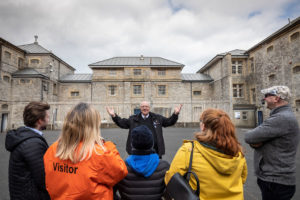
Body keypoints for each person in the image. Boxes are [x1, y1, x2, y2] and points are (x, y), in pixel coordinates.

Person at [43, 103, 128, 200]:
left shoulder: (53, 149)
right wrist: (108, 145)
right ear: (93, 126)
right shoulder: (98, 153)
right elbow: (120, 171)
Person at [165, 108, 247, 200]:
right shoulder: (238, 152)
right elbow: (242, 179)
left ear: (203, 126)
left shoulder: (189, 149)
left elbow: (171, 178)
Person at [245, 86, 300, 200]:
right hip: (276, 180)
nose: (264, 99)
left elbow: (249, 137)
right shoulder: (281, 116)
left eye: (267, 96)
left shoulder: (281, 118)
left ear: (276, 98)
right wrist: (256, 141)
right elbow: (254, 139)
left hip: (276, 181)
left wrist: (256, 141)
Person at [5, 101, 51, 200]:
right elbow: (43, 179)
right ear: (39, 121)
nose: (49, 119)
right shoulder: (33, 143)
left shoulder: (24, 136)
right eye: (47, 117)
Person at [106, 101, 182, 158]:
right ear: (140, 108)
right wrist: (114, 115)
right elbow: (122, 123)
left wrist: (175, 114)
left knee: (155, 171)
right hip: (136, 152)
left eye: (146, 106)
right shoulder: (133, 119)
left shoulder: (157, 118)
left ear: (149, 108)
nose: (145, 108)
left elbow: (169, 122)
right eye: (143, 106)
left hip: (155, 151)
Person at [115, 125, 170, 200]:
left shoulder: (121, 167)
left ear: (132, 144)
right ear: (152, 143)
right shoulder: (164, 167)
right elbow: (170, 193)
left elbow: (110, 192)